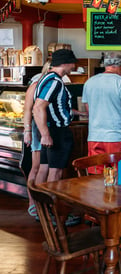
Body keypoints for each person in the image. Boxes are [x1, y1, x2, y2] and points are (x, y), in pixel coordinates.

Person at [81, 52, 121, 173]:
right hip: (119, 137)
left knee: (97, 174)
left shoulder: (89, 82)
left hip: (95, 137)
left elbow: (88, 110)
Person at [33, 49, 77, 185]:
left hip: (50, 130)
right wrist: (46, 134)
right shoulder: (55, 82)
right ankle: (51, 204)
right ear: (66, 63)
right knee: (56, 171)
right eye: (72, 63)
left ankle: (41, 204)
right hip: (56, 131)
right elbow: (38, 107)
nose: (74, 66)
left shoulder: (46, 78)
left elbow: (53, 106)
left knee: (44, 169)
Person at [23, 61, 50, 218]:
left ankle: (41, 203)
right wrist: (27, 131)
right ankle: (33, 204)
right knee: (37, 167)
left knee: (43, 167)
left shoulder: (54, 82)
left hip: (47, 128)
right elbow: (28, 109)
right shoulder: (37, 84)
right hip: (37, 129)